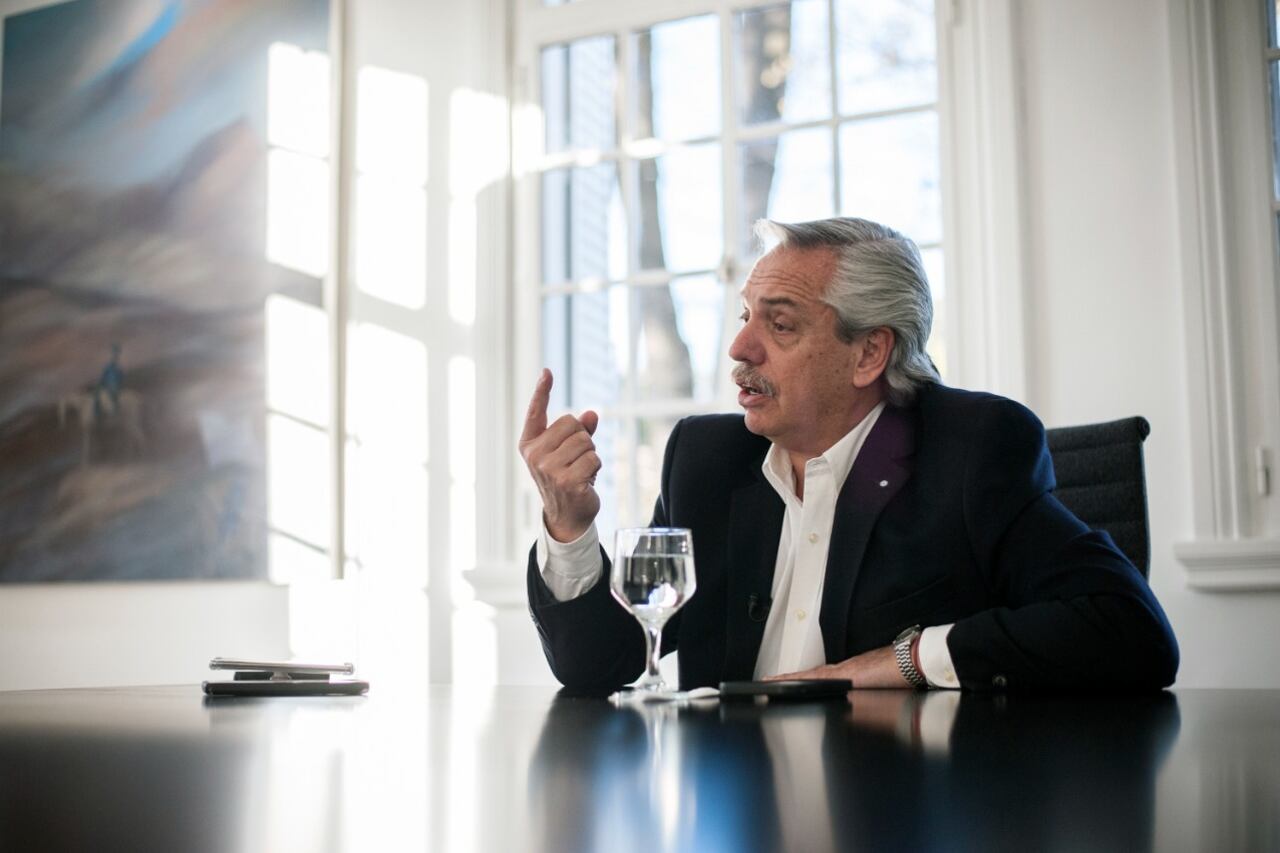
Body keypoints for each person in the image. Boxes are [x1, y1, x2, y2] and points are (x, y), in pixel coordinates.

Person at [520, 217, 1178, 693]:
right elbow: (600, 665)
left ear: (869, 353)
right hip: (732, 807)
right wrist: (570, 527)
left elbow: (1130, 629)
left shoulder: (971, 449)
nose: (740, 348)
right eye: (746, 316)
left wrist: (908, 660)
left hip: (893, 805)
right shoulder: (706, 458)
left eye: (780, 324)